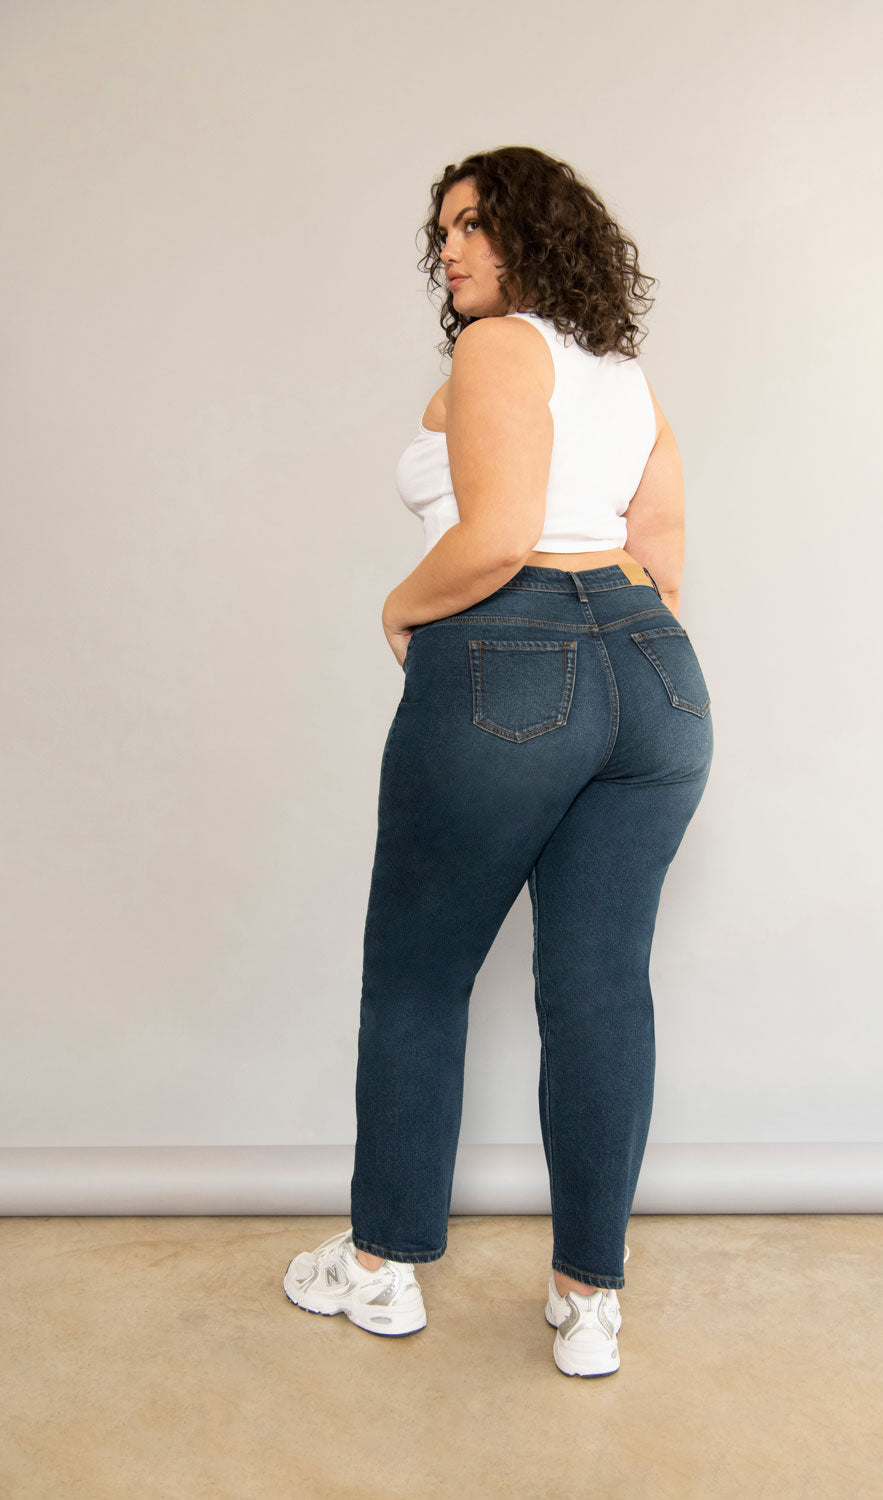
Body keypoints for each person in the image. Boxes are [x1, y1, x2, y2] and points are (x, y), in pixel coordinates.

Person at [283, 146, 714, 1378]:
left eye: (473, 225)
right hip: (658, 679)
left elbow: (500, 535)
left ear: (534, 233)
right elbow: (662, 549)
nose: (450, 250)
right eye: (442, 232)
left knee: (417, 976)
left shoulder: (497, 349)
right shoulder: (623, 375)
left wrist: (400, 610)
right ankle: (588, 1302)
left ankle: (380, 1269)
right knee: (600, 989)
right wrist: (613, 647)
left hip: (508, 654)